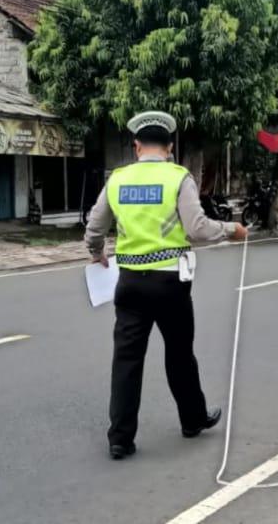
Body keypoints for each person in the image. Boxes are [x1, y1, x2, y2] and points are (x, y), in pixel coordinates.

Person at [84, 111, 247, 460]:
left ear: (137, 146)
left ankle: (120, 439)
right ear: (170, 148)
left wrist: (97, 253)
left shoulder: (118, 179)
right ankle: (192, 420)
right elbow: (198, 228)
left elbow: (95, 225)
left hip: (128, 282)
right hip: (171, 283)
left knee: (126, 361)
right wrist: (233, 230)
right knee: (179, 354)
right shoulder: (178, 177)